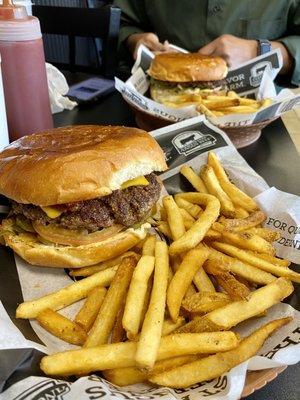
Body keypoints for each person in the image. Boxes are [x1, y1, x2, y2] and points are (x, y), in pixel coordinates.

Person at [113, 0, 300, 86]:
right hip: (155, 106)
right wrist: (135, 40)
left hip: (256, 118)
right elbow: (123, 23)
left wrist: (259, 51)